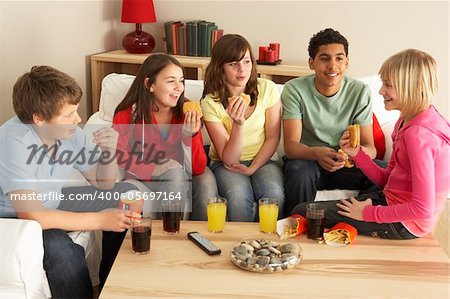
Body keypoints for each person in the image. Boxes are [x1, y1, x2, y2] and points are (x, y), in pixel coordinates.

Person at [0, 66, 141, 298]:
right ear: (39, 119)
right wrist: (99, 220)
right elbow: (32, 216)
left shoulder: (69, 133)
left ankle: (110, 286)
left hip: (50, 203)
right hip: (14, 218)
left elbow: (103, 183)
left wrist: (109, 151)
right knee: (62, 250)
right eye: (68, 115)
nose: (78, 119)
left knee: (127, 194)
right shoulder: (13, 143)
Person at [293, 49, 450, 239]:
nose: (381, 91)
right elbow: (387, 181)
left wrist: (368, 213)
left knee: (304, 211)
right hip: (390, 203)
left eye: (388, 85)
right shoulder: (406, 121)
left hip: (405, 223)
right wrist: (358, 154)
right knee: (308, 210)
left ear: (414, 87)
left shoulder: (419, 136)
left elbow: (422, 208)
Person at [282, 28, 377, 216]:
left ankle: (356, 219)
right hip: (308, 161)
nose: (333, 66)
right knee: (298, 171)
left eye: (339, 58)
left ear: (347, 62)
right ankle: (296, 224)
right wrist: (316, 153)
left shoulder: (360, 92)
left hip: (345, 164)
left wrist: (354, 155)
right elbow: (291, 147)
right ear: (312, 63)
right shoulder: (294, 90)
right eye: (325, 58)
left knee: (383, 173)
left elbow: (370, 148)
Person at [113, 54, 218, 221]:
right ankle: (171, 235)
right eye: (171, 81)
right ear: (149, 84)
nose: (179, 87)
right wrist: (153, 168)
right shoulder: (127, 114)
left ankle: (202, 240)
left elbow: (197, 168)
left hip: (185, 170)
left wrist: (191, 135)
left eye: (181, 81)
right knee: (175, 173)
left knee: (206, 180)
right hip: (151, 174)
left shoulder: (186, 111)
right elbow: (119, 155)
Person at [201, 34, 284, 222]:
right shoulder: (210, 103)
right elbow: (229, 160)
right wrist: (238, 125)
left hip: (264, 159)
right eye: (233, 64)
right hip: (225, 165)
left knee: (274, 194)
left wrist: (253, 167)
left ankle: (267, 247)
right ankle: (241, 247)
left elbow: (273, 138)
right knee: (238, 196)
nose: (242, 70)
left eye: (247, 62)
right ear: (220, 67)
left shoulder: (268, 89)